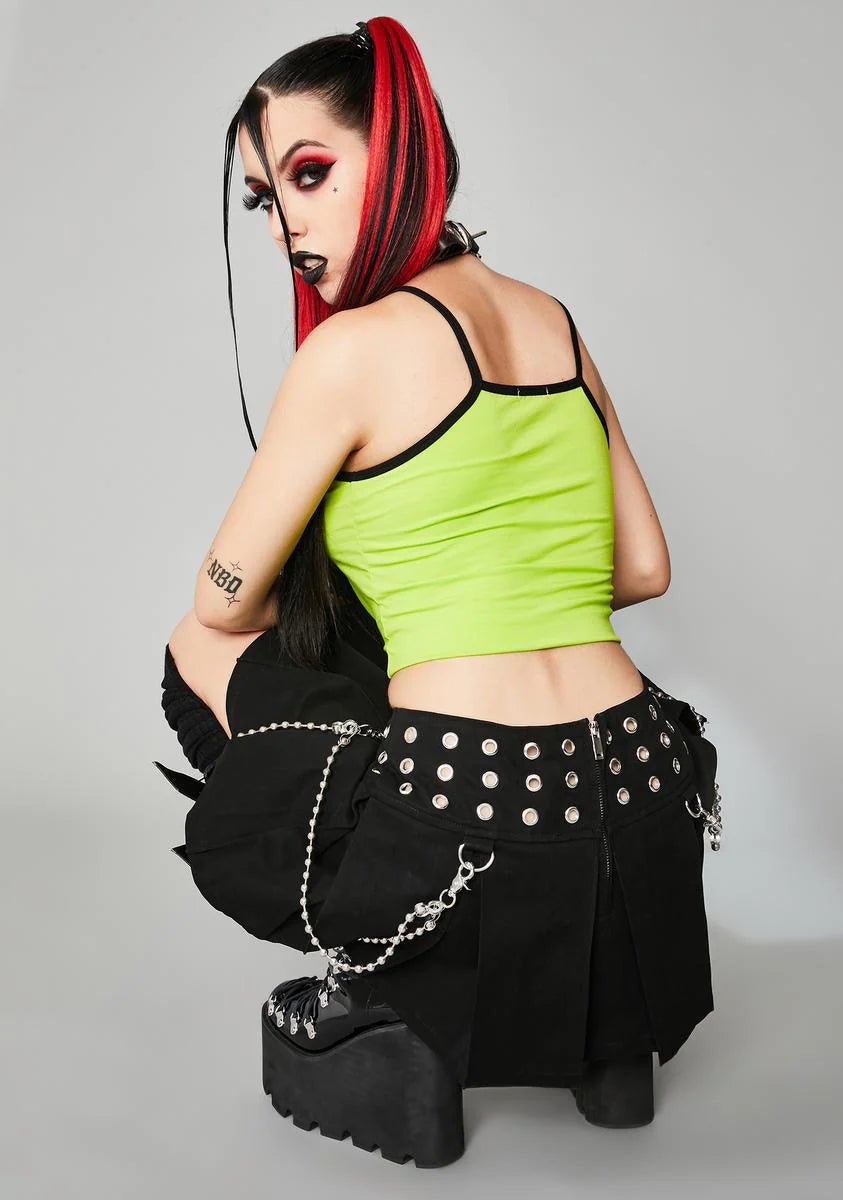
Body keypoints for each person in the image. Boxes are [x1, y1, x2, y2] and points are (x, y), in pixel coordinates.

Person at [154, 15, 719, 1169]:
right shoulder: (551, 318)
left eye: (309, 173)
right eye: (264, 198)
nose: (286, 225)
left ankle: (395, 1002)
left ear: (402, 148)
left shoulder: (351, 350)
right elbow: (646, 568)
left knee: (192, 645)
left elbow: (221, 603)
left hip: (471, 820)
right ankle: (611, 1051)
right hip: (644, 796)